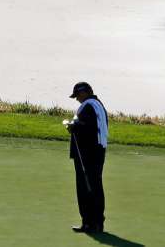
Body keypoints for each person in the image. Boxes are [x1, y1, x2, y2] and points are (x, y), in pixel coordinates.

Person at [63, 81, 107, 234]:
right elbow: (92, 127)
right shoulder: (97, 104)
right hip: (96, 153)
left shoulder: (89, 106)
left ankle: (89, 223)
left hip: (87, 155)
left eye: (77, 95)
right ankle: (96, 223)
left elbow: (85, 129)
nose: (77, 99)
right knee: (95, 186)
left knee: (86, 188)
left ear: (85, 92)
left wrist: (72, 126)